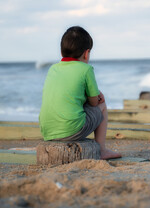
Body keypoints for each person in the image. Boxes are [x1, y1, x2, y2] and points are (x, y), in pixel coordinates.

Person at [39, 26, 121, 160]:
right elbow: (94, 102)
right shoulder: (86, 69)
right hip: (71, 131)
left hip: (48, 132)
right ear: (86, 53)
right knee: (102, 106)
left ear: (61, 52)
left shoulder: (52, 68)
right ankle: (102, 149)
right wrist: (96, 96)